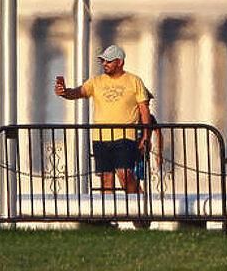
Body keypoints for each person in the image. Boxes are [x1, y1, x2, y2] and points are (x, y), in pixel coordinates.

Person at [54, 44, 155, 194]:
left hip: (125, 136)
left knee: (125, 174)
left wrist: (146, 136)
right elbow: (77, 92)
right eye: (103, 61)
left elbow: (144, 109)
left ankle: (138, 209)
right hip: (101, 137)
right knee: (106, 177)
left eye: (108, 61)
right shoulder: (96, 81)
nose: (104, 64)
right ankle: (108, 215)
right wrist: (64, 92)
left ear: (119, 62)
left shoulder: (134, 81)